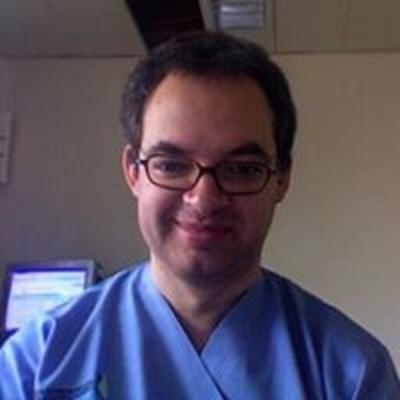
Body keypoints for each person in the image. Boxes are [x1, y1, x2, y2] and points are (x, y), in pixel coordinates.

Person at [0, 31, 399, 399]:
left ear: (281, 179)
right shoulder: (36, 364)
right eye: (172, 165)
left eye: (241, 168)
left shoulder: (351, 374)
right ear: (134, 173)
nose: (204, 199)